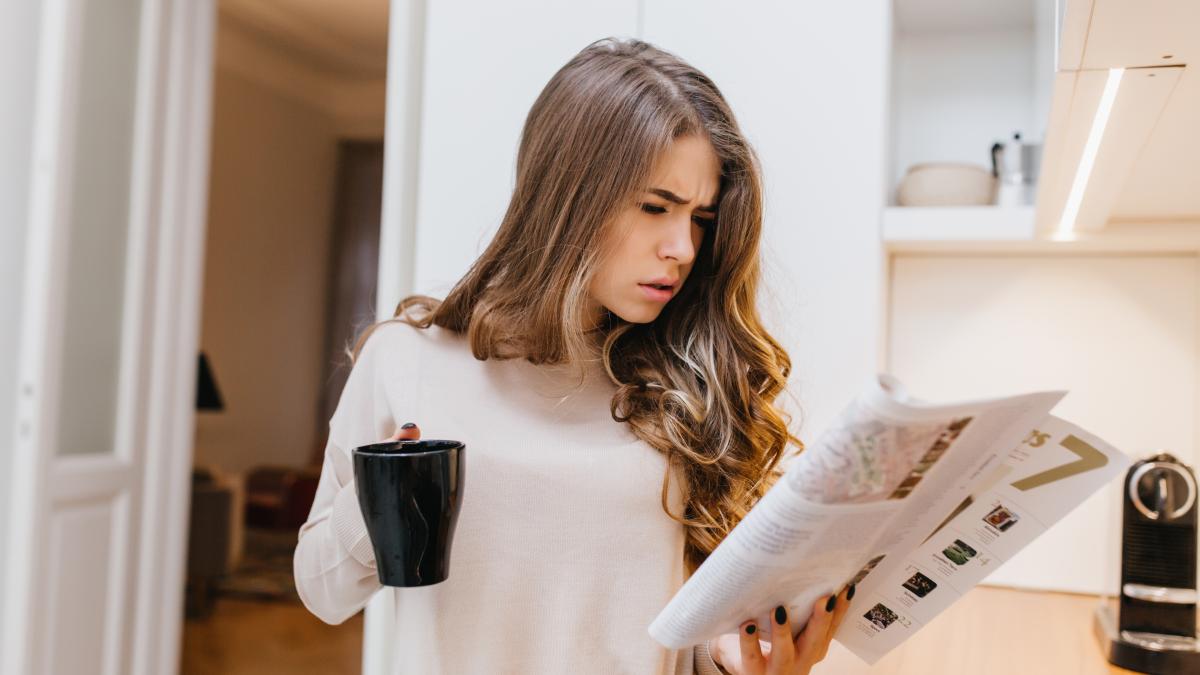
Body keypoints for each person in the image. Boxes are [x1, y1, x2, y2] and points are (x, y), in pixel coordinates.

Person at [293, 37, 851, 674]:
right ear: (567, 197)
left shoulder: (684, 387)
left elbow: (681, 638)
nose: (683, 247)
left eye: (700, 217)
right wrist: (383, 496)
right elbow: (323, 592)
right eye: (655, 207)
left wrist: (744, 663)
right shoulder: (408, 361)